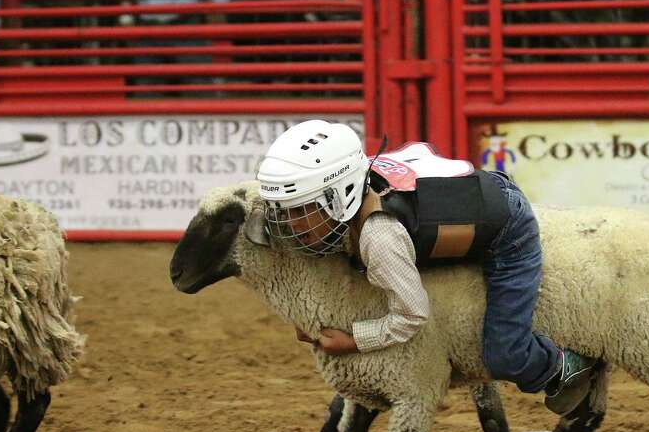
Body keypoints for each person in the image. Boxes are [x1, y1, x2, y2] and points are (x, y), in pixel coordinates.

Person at [256, 120, 597, 415]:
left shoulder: (380, 238)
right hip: (473, 198)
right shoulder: (356, 198)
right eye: (284, 211)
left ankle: (565, 367)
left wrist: (353, 341)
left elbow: (412, 316)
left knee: (504, 354)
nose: (288, 224)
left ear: (338, 196)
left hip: (509, 229)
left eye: (299, 211)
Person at [119, 0, 237, 94]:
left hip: (186, 25)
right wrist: (126, 19)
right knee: (147, 91)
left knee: (198, 88)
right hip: (148, 28)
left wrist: (217, 8)